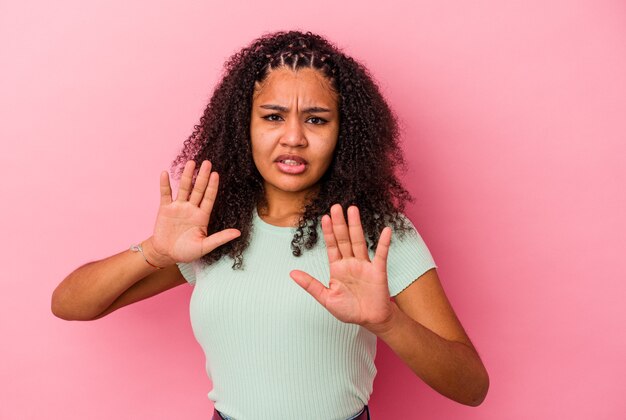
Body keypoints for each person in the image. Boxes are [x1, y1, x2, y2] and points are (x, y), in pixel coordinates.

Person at [51, 30, 489, 420]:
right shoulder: (213, 227)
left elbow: (472, 388)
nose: (294, 137)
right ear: (244, 125)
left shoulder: (373, 229)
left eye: (316, 119)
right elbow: (70, 305)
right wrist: (155, 252)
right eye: (273, 116)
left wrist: (389, 322)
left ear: (344, 133)